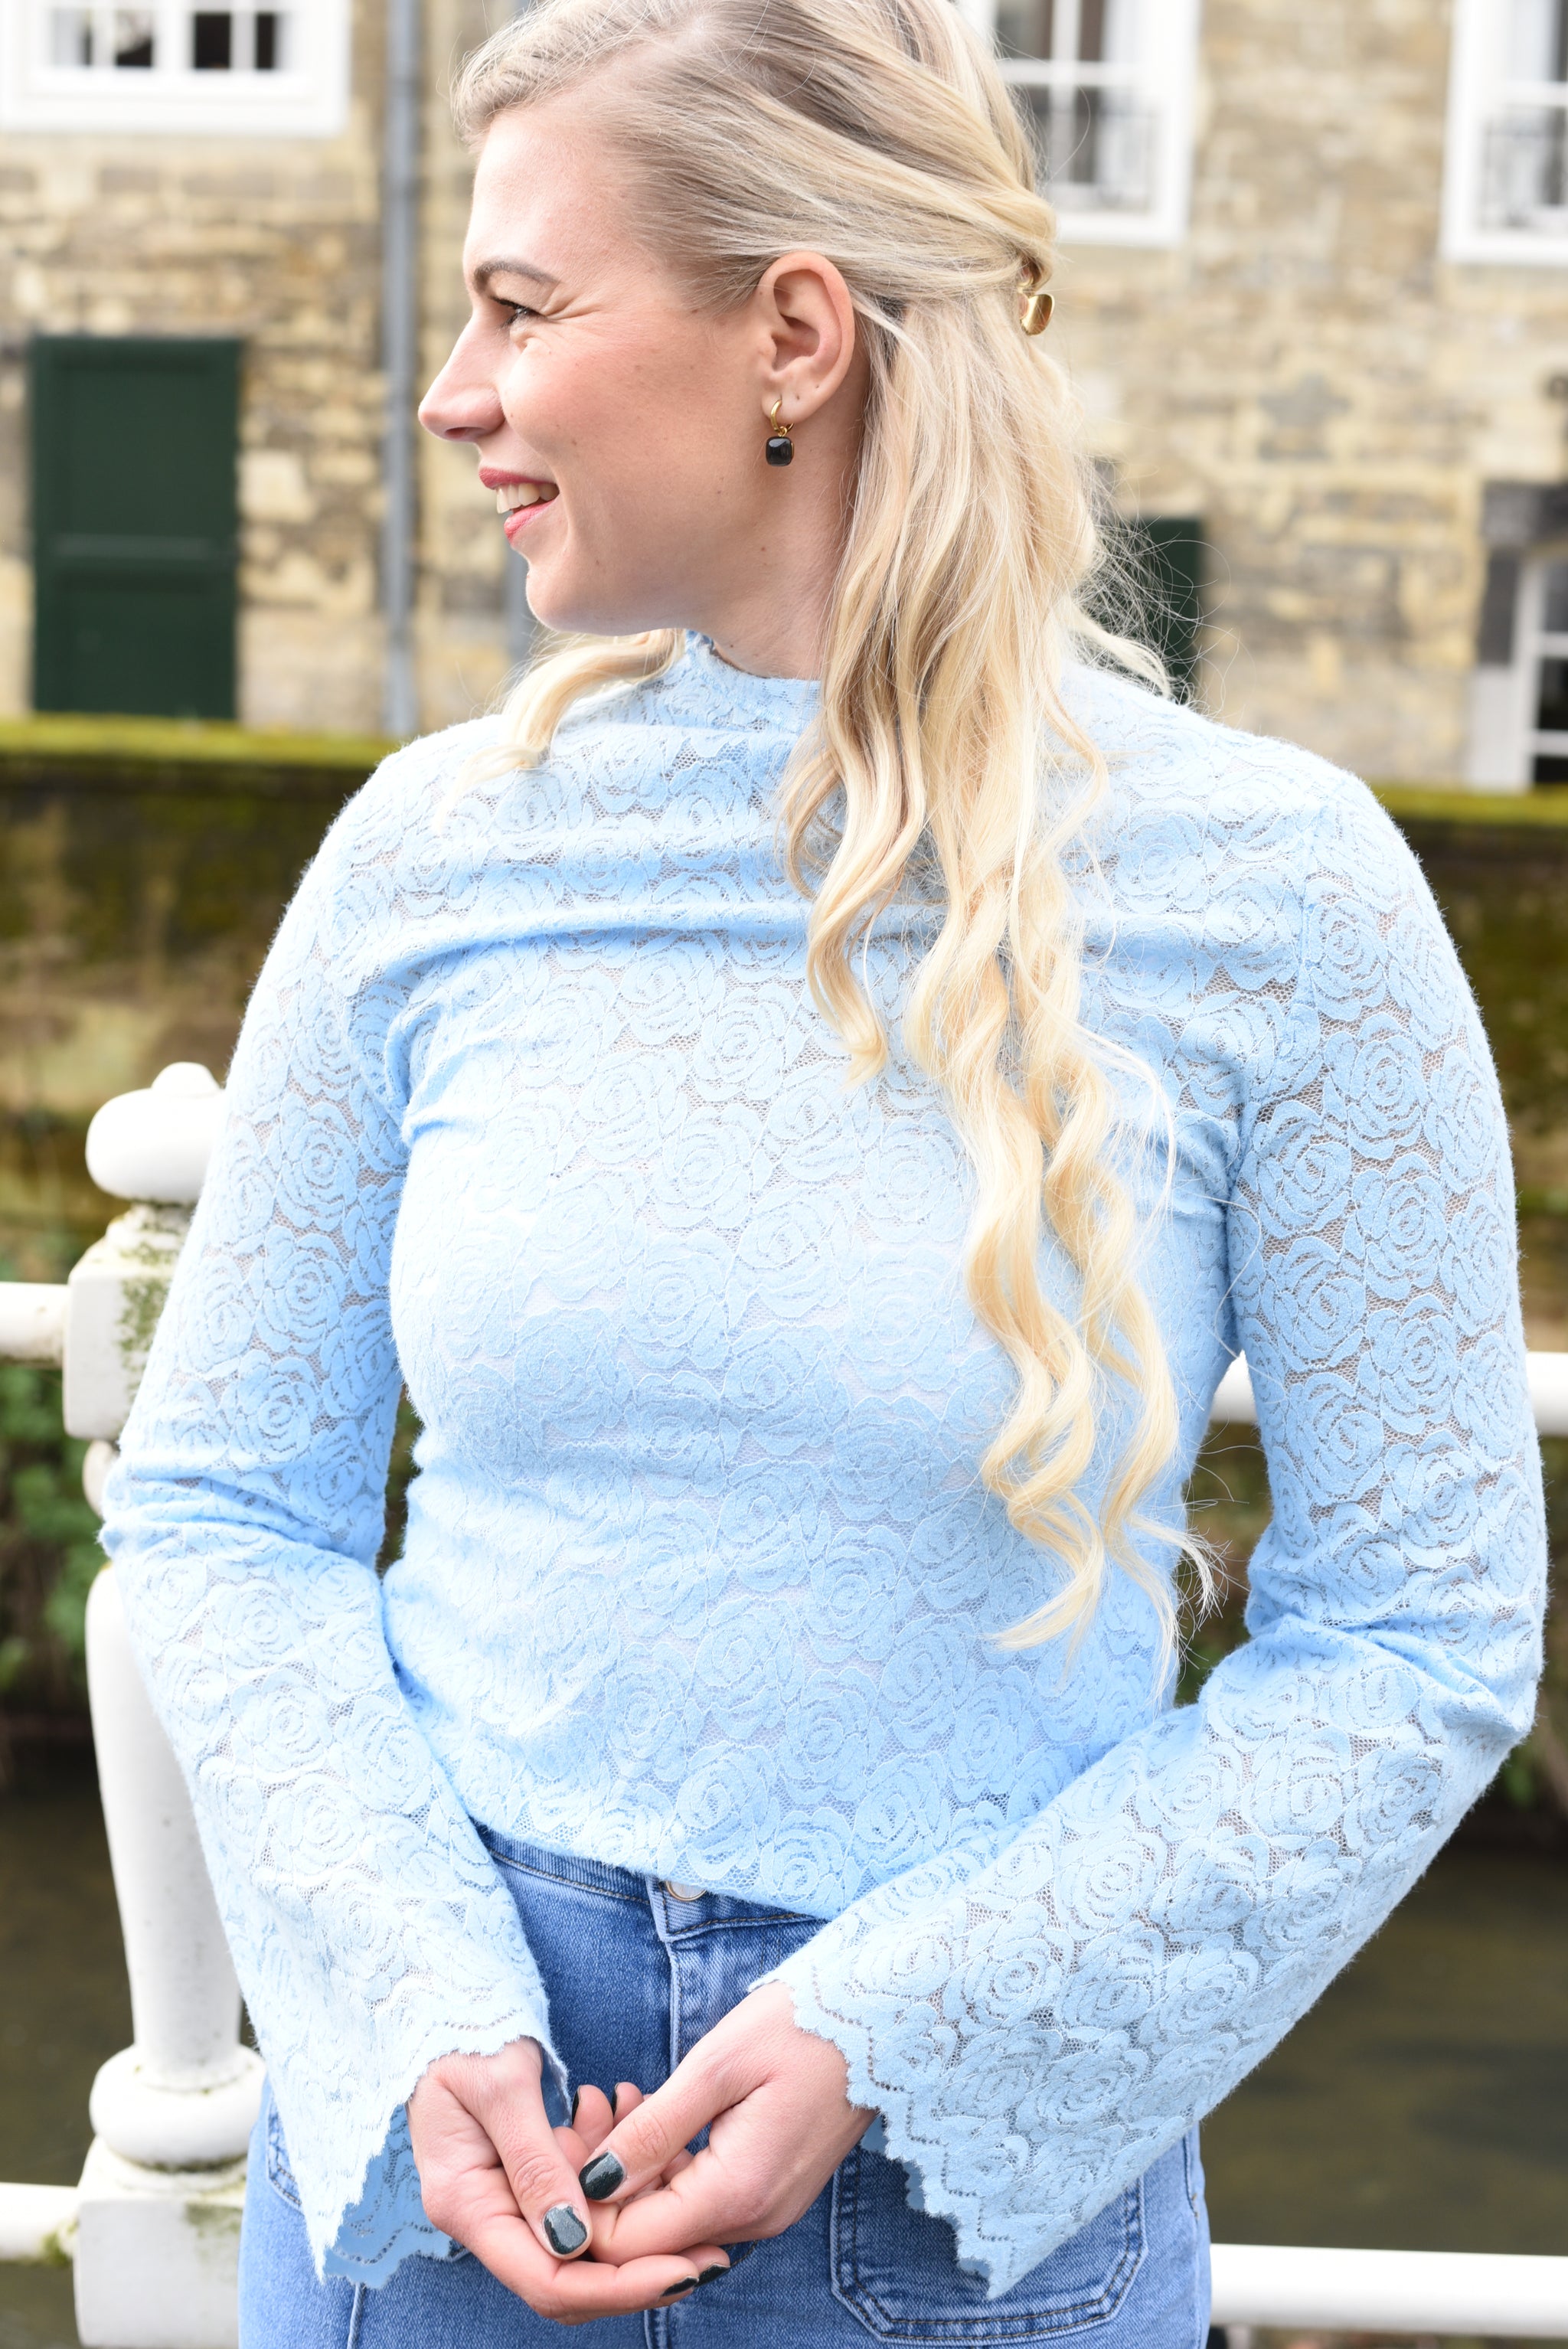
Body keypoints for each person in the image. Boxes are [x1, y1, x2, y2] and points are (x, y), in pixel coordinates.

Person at [101, 0, 1545, 2341]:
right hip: (439, 2161)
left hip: (972, 2200)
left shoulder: (1285, 899)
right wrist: (415, 1995)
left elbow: (1425, 1627)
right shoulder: (433, 855)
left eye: (521, 307)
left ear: (792, 335)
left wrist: (912, 2031)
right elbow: (223, 1499)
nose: (453, 394)